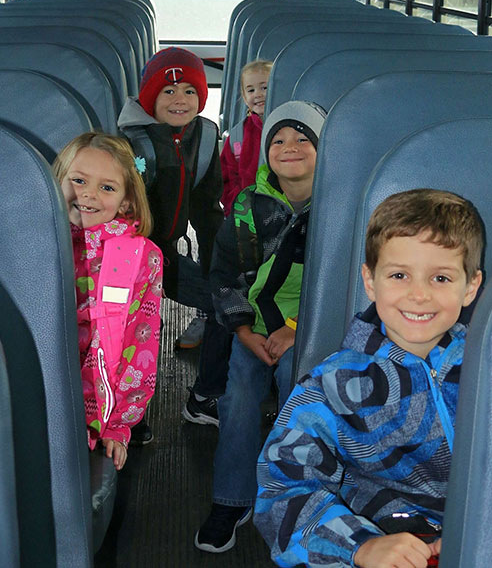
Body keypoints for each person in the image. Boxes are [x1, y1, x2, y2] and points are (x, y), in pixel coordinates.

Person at [254, 188, 484, 568]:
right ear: (370, 281)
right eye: (399, 275)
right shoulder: (334, 385)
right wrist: (359, 545)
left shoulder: (484, 365)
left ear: (471, 287)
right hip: (386, 537)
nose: (419, 295)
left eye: (441, 278)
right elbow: (283, 484)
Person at [195, 100, 327, 553]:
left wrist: (296, 328)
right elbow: (225, 272)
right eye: (278, 140)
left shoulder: (340, 206)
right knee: (239, 397)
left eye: (302, 138)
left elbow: (346, 280)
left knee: (299, 391)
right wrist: (243, 330)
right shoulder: (249, 206)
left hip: (310, 322)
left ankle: (298, 494)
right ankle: (232, 499)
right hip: (253, 321)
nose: (289, 147)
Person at [118, 46, 230, 438]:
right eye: (168, 91)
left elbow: (207, 206)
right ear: (150, 98)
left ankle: (204, 397)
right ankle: (126, 417)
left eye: (189, 91)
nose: (179, 99)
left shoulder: (204, 135)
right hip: (129, 258)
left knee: (226, 303)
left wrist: (222, 267)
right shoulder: (131, 142)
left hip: (167, 254)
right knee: (132, 332)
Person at [52, 132, 163, 470]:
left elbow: (140, 348)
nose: (88, 194)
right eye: (79, 180)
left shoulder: (141, 258)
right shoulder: (35, 241)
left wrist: (117, 424)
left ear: (126, 202)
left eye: (107, 188)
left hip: (95, 412)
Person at [220, 59, 273, 216]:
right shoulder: (238, 135)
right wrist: (237, 205)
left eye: (265, 87)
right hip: (246, 211)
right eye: (250, 90)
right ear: (244, 97)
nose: (258, 94)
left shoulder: (290, 126)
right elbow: (227, 177)